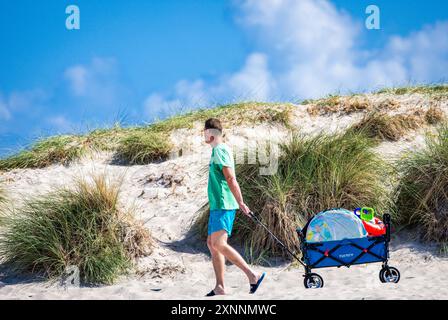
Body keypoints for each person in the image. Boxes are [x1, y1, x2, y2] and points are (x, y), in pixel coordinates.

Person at [203, 118, 266, 296]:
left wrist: (241, 202)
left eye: (204, 132)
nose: (203, 136)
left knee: (218, 243)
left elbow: (231, 178)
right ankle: (220, 286)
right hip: (218, 205)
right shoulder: (218, 150)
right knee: (211, 244)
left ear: (210, 133)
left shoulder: (220, 150)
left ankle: (252, 275)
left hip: (224, 203)